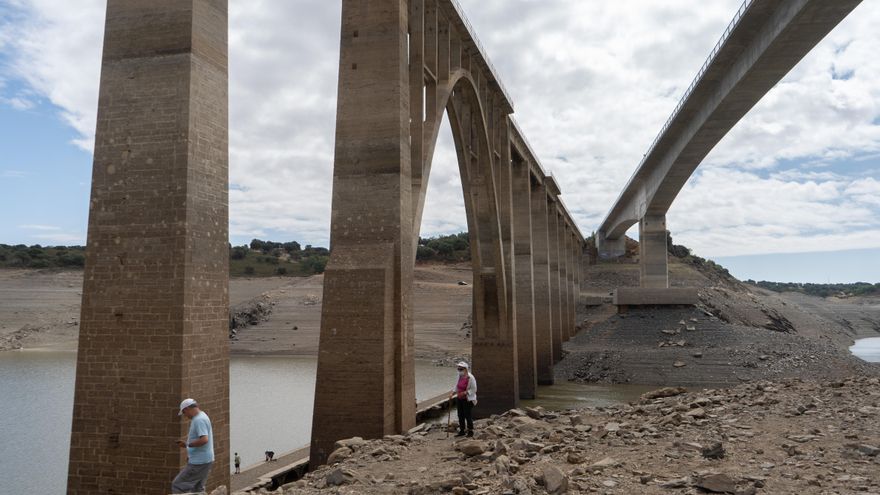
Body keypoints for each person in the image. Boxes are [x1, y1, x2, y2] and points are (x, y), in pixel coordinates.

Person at [172, 398, 214, 494]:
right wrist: (190, 455)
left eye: (184, 413)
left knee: (178, 485)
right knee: (198, 489)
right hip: (205, 460)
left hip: (199, 462)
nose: (185, 416)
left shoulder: (199, 420)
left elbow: (204, 439)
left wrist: (187, 444)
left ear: (187, 409)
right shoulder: (202, 416)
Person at [449, 361, 477, 437]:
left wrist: (465, 393)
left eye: (461, 369)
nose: (459, 371)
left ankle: (470, 431)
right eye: (458, 369)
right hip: (459, 398)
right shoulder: (459, 376)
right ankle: (462, 431)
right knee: (460, 415)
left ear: (465, 369)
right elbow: (457, 386)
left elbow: (474, 389)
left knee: (467, 415)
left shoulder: (470, 377)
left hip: (468, 399)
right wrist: (453, 392)